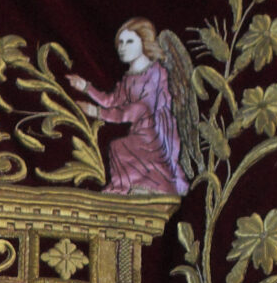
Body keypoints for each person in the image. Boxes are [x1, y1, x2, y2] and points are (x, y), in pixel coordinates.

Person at [67, 21, 193, 196]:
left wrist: (97, 113)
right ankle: (124, 188)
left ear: (144, 42)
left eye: (129, 42)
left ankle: (153, 187)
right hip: (139, 130)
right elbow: (111, 100)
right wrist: (86, 88)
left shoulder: (156, 73)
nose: (122, 48)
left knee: (122, 146)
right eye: (120, 42)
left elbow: (139, 110)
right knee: (117, 147)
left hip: (155, 132)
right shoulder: (129, 78)